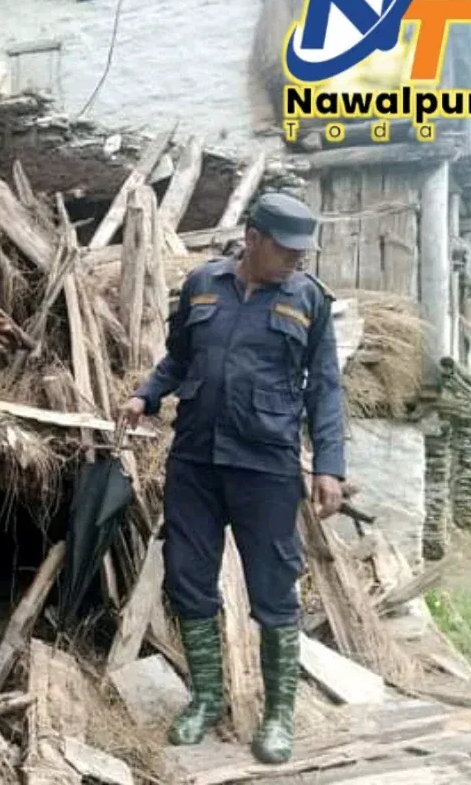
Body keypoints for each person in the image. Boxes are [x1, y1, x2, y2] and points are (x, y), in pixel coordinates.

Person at [116, 193, 346, 766]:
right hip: (195, 460)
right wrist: (146, 395)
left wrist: (330, 465)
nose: (297, 259)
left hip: (266, 465)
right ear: (253, 238)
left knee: (274, 589)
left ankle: (278, 716)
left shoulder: (308, 300)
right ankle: (205, 699)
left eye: (302, 251)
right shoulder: (202, 285)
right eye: (287, 249)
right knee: (188, 577)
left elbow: (325, 388)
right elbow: (178, 359)